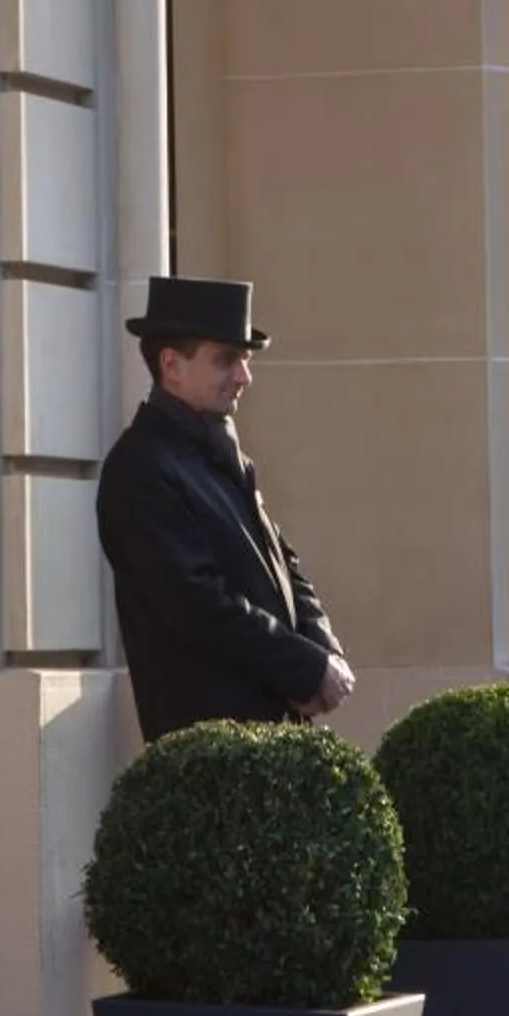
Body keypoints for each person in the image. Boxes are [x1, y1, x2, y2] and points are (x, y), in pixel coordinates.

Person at [96, 275, 353, 742]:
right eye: (226, 360)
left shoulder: (218, 455)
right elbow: (198, 604)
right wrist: (303, 667)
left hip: (268, 740)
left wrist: (321, 648)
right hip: (209, 751)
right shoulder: (141, 467)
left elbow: (284, 564)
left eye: (244, 360)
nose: (243, 376)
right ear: (171, 364)